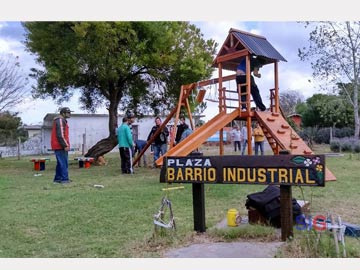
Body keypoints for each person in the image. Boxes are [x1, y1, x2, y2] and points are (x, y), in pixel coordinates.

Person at [51, 107, 73, 184]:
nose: (70, 114)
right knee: (64, 163)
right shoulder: (60, 120)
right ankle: (64, 179)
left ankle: (57, 179)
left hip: (59, 145)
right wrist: (65, 145)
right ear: (63, 113)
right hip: (60, 145)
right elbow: (60, 135)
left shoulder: (61, 120)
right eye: (68, 112)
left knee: (60, 163)